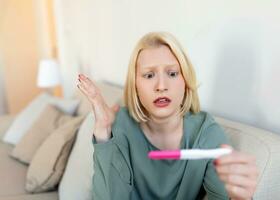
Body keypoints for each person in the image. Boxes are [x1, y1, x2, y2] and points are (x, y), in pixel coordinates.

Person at [77, 32, 258, 200]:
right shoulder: (121, 124)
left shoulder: (206, 134)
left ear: (185, 81)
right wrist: (103, 131)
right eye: (149, 75)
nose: (161, 85)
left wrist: (239, 197)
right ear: (136, 87)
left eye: (172, 73)